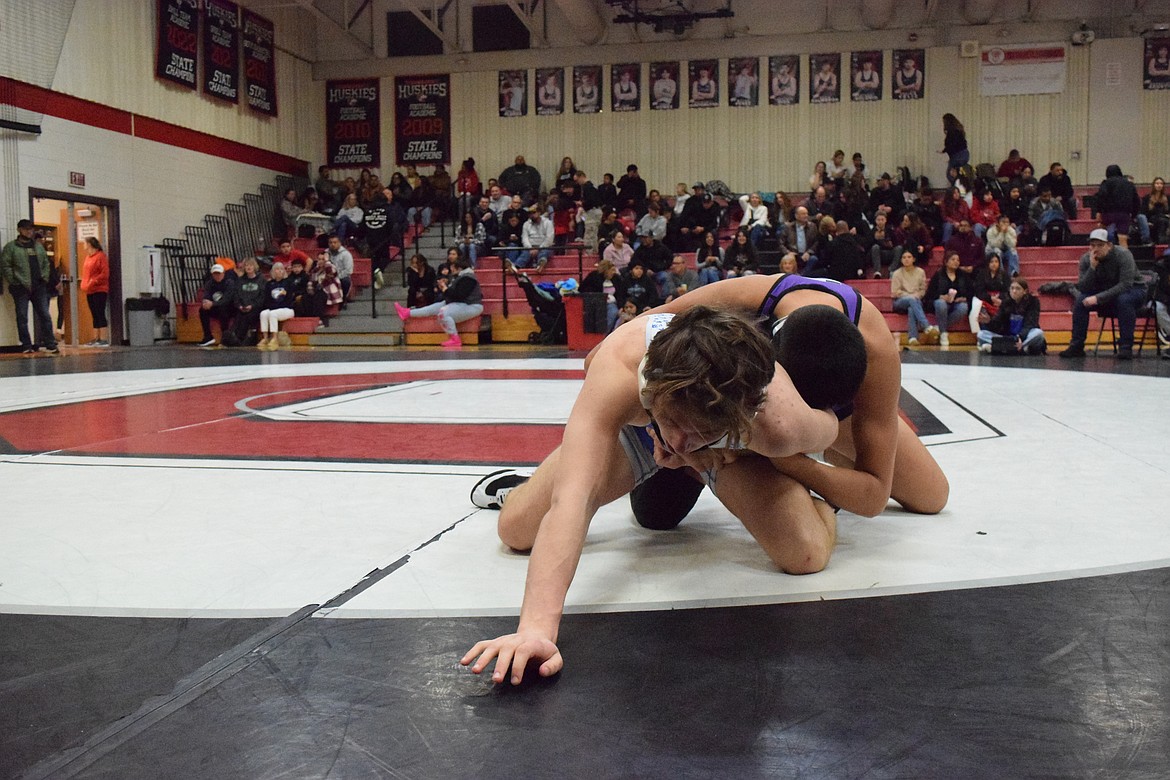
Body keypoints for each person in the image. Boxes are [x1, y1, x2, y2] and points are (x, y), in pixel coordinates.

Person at [462, 306, 846, 685]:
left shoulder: (777, 419)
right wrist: (535, 629)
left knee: (805, 554)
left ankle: (821, 506)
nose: (679, 442)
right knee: (515, 529)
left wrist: (747, 451)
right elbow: (573, 500)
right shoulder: (621, 367)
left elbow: (830, 428)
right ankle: (523, 483)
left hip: (731, 450)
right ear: (653, 384)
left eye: (695, 431)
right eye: (676, 423)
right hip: (643, 431)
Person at [1059, 228, 1148, 360]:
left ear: (1109, 245)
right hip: (1106, 292)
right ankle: (1077, 345)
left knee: (1124, 300)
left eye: (1100, 245)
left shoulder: (1123, 255)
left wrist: (1098, 298)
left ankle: (1125, 347)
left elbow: (1125, 284)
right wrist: (1092, 268)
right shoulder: (1086, 259)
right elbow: (1083, 287)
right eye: (1092, 245)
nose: (1095, 249)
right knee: (1081, 301)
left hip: (1134, 290)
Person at [395, 254, 483, 349]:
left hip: (471, 305)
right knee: (433, 308)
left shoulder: (468, 278)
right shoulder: (460, 277)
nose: (451, 269)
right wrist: (444, 288)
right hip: (458, 303)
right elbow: (453, 295)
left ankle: (455, 338)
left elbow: (459, 296)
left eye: (452, 267)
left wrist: (445, 288)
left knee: (443, 313)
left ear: (459, 268)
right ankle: (407, 313)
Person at [1, 219, 60, 354]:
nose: (29, 232)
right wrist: (14, 281)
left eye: (31, 229)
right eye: (26, 229)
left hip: (39, 286)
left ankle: (50, 344)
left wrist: (44, 278)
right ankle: (26, 345)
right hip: (20, 287)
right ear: (19, 230)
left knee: (45, 315)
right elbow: (5, 266)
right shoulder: (11, 247)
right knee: (22, 316)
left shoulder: (38, 246)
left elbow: (46, 262)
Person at [974, 277, 1045, 354]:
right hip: (1008, 337)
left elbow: (1030, 323)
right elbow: (998, 325)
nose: (1014, 291)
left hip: (1023, 337)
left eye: (1018, 289)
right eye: (1012, 288)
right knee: (981, 334)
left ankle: (1003, 348)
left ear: (1025, 291)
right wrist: (989, 322)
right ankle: (1018, 349)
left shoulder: (1033, 302)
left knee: (1038, 333)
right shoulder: (1006, 302)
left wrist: (1020, 337)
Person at [926, 251, 972, 347]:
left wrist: (964, 298)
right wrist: (941, 296)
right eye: (953, 259)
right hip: (942, 302)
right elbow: (930, 293)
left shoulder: (963, 275)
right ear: (946, 262)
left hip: (956, 303)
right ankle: (943, 333)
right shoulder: (938, 275)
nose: (956, 262)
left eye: (958, 260)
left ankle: (940, 327)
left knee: (964, 307)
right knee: (940, 304)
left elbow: (970, 291)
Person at [890, 249, 935, 346]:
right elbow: (895, 292)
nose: (906, 259)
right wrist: (910, 296)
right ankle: (926, 326)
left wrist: (917, 295)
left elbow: (923, 290)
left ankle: (913, 337)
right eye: (904, 257)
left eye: (909, 257)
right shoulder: (897, 273)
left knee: (911, 308)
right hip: (900, 301)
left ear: (913, 259)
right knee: (911, 300)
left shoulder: (920, 272)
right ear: (901, 260)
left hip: (916, 300)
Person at [1094, 164, 1142, 247]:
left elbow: (1101, 197)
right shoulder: (1129, 184)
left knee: (1101, 230)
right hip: (1124, 214)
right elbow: (1136, 201)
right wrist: (1133, 214)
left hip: (1108, 213)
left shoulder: (1106, 183)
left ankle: (1101, 248)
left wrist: (1098, 211)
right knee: (1123, 239)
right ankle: (1125, 258)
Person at [256, 262, 296, 350]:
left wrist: (276, 307)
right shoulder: (269, 284)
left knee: (273, 314)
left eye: (281, 269)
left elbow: (289, 298)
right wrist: (272, 307)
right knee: (263, 313)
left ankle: (274, 338)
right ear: (273, 272)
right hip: (273, 308)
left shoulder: (288, 283)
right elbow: (267, 299)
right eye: (277, 269)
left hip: (287, 309)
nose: (279, 271)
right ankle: (265, 338)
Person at [196, 262, 235, 348]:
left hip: (229, 308)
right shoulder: (210, 283)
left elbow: (227, 300)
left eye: (219, 274)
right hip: (215, 306)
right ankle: (208, 336)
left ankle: (225, 338)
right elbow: (206, 295)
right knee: (202, 310)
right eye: (215, 274)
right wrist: (205, 302)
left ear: (223, 273)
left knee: (223, 309)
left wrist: (213, 303)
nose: (217, 276)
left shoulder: (229, 283)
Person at [580, 259, 626, 332]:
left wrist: (621, 306)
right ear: (606, 270)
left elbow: (621, 294)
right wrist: (601, 297)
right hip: (596, 303)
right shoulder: (593, 277)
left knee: (614, 312)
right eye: (612, 270)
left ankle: (605, 334)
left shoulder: (617, 279)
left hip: (611, 303)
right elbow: (583, 289)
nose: (613, 272)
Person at [969, 253, 1011, 333]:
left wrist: (999, 297)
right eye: (991, 262)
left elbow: (1007, 290)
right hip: (985, 300)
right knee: (980, 310)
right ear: (988, 263)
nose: (994, 264)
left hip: (999, 301)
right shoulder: (981, 275)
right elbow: (979, 291)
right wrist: (990, 298)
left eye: (996, 262)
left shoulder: (1004, 275)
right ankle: (984, 332)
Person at [79, 237, 110, 347]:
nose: (84, 245)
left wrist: (94, 281)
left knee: (100, 312)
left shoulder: (101, 256)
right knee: (94, 314)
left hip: (99, 289)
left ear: (90, 244)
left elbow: (105, 273)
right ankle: (96, 337)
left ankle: (104, 338)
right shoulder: (88, 257)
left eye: (85, 243)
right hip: (90, 289)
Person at [866, 212, 901, 279]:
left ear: (885, 220)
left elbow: (896, 243)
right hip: (879, 254)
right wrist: (875, 239)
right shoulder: (872, 231)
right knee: (875, 247)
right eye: (878, 220)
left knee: (899, 248)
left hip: (889, 252)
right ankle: (877, 271)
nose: (880, 222)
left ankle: (892, 270)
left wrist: (890, 244)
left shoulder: (890, 230)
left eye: (882, 219)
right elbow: (868, 246)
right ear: (875, 221)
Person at [320, 234, 353, 302]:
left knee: (346, 281)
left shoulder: (346, 254)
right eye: (330, 242)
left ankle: (343, 299)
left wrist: (336, 277)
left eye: (335, 242)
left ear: (339, 243)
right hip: (326, 276)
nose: (333, 244)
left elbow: (348, 271)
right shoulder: (325, 253)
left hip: (340, 276)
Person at [940, 113, 969, 184]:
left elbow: (952, 145)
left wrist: (949, 155)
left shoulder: (952, 132)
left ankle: (958, 189)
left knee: (950, 174)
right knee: (958, 174)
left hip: (957, 155)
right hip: (964, 154)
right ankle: (962, 188)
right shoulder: (958, 130)